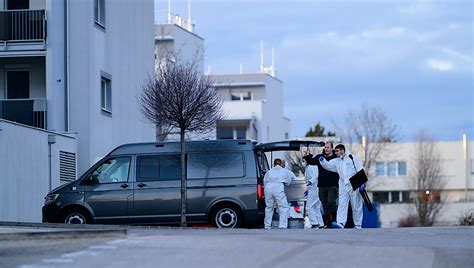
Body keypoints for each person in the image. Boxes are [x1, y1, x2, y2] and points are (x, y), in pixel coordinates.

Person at [319, 144, 364, 229]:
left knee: (356, 205)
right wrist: (323, 161)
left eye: (337, 151)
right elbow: (328, 166)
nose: (335, 153)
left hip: (354, 184)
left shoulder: (352, 158)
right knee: (342, 204)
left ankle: (358, 224)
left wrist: (362, 183)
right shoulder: (337, 161)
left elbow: (360, 169)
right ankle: (341, 223)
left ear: (342, 150)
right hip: (343, 185)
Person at [263, 158, 296, 229]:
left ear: (273, 164)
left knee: (269, 207)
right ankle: (282, 225)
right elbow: (290, 180)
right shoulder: (284, 171)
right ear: (281, 164)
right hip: (278, 187)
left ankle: (267, 225)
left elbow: (264, 181)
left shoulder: (269, 172)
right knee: (283, 207)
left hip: (268, 188)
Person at [314, 142, 339, 227]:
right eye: (325, 147)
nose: (326, 149)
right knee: (324, 203)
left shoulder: (336, 158)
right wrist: (307, 157)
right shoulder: (320, 157)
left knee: (331, 201)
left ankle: (335, 220)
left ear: (332, 148)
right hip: (322, 185)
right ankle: (327, 222)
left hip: (333, 185)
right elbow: (311, 161)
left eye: (328, 147)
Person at [302, 155, 324, 228]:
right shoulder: (308, 168)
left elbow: (315, 176)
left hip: (314, 189)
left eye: (303, 161)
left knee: (309, 207)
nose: (302, 162)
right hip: (312, 189)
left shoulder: (312, 167)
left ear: (307, 160)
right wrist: (308, 190)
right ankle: (321, 224)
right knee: (316, 208)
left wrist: (311, 182)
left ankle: (314, 223)